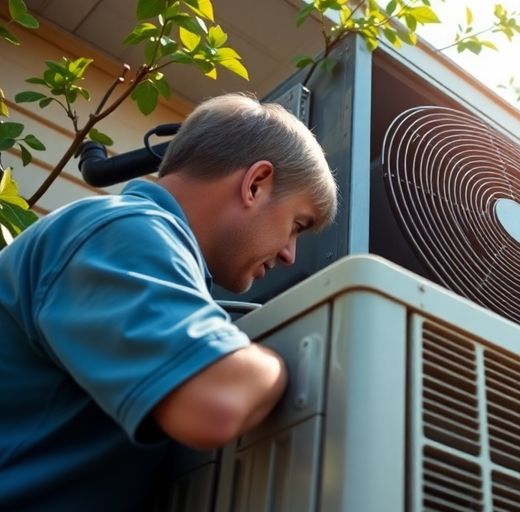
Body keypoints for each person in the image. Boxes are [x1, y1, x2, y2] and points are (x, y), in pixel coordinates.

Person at [0, 93, 337, 511]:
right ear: (255, 184)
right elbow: (216, 402)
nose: (289, 253)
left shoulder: (123, 235)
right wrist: (286, 357)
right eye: (296, 225)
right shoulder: (124, 231)